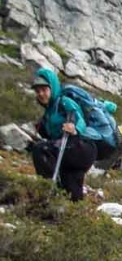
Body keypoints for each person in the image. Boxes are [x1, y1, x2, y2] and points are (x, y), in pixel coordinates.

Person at [29, 68, 97, 201]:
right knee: (70, 190)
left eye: (44, 89)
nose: (41, 94)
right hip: (69, 150)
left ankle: (48, 190)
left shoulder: (64, 101)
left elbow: (79, 119)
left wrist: (74, 128)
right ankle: (72, 213)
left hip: (81, 147)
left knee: (40, 149)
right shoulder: (48, 113)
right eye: (38, 91)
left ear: (52, 87)